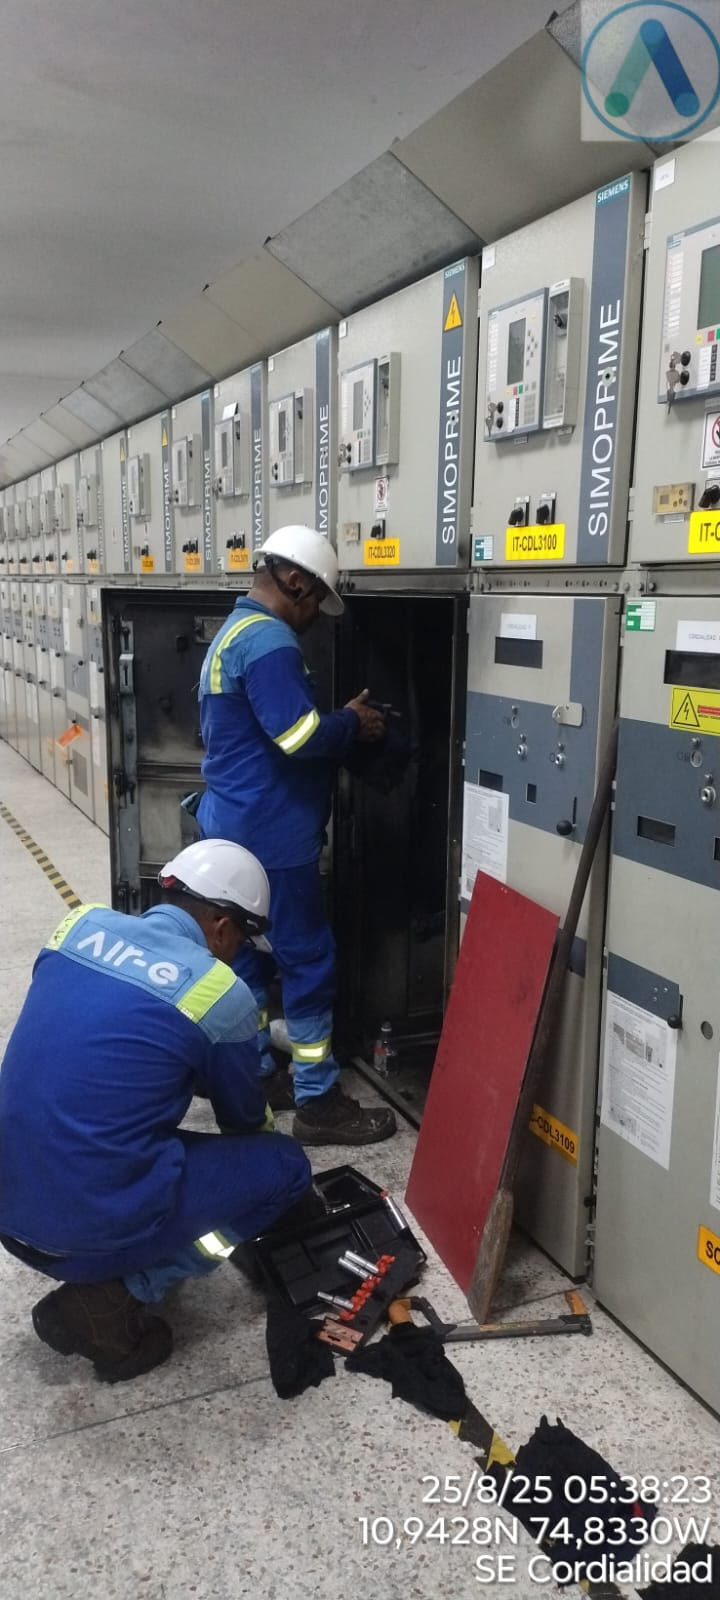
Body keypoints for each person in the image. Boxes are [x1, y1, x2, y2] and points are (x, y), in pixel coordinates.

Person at [0, 839, 320, 1384]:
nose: (238, 953)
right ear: (221, 927)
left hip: (10, 1217)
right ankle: (117, 1294)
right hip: (80, 1243)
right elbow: (243, 1122)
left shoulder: (76, 926)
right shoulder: (217, 990)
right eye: (242, 940)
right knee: (284, 1168)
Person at [196, 524, 397, 1147]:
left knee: (248, 957)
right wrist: (352, 723)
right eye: (316, 603)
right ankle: (317, 1099)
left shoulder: (233, 632)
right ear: (295, 582)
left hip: (230, 826)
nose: (314, 618)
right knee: (307, 960)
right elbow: (298, 736)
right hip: (271, 836)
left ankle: (258, 1073)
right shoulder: (270, 641)